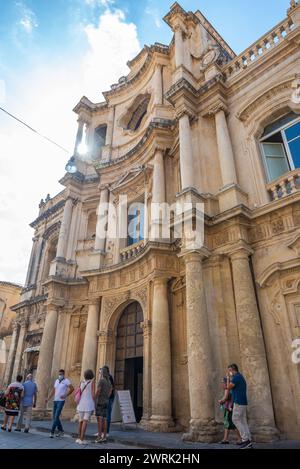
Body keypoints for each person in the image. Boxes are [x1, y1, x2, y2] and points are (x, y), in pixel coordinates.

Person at [227, 364, 253, 449]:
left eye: (229, 370)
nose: (229, 372)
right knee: (243, 421)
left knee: (235, 419)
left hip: (239, 402)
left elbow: (228, 387)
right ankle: (248, 441)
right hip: (242, 402)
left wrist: (228, 379)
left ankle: (245, 440)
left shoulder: (236, 377)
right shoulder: (239, 377)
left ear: (233, 369)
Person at [46, 369, 74, 438]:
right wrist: (48, 398)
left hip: (61, 401)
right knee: (55, 417)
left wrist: (65, 395)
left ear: (63, 374)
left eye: (61, 374)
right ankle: (61, 431)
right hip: (55, 400)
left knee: (56, 416)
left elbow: (72, 388)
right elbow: (53, 390)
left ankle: (52, 432)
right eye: (59, 374)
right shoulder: (57, 381)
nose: (60, 375)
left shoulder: (66, 381)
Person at [218, 376, 241, 445]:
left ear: (226, 383)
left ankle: (240, 439)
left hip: (229, 409)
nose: (222, 384)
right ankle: (225, 439)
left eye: (223, 382)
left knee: (233, 424)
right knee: (227, 424)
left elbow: (225, 398)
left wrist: (220, 401)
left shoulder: (227, 389)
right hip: (231, 408)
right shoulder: (231, 389)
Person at [76, 369, 95, 445]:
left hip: (81, 403)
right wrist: (95, 402)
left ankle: (78, 438)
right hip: (88, 404)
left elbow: (79, 391)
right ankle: (82, 439)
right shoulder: (92, 382)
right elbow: (93, 394)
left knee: (80, 421)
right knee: (85, 421)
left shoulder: (81, 382)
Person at [95, 367, 112, 443]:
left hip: (100, 401)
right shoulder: (109, 381)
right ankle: (104, 436)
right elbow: (111, 390)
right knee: (105, 419)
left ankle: (99, 436)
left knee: (99, 419)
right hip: (106, 401)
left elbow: (98, 391)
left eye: (101, 371)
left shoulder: (101, 381)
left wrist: (95, 398)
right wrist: (107, 397)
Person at [102, 365, 115, 436]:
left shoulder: (109, 377)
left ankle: (106, 432)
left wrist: (107, 397)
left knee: (107, 415)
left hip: (108, 399)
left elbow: (111, 388)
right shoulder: (104, 377)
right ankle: (101, 431)